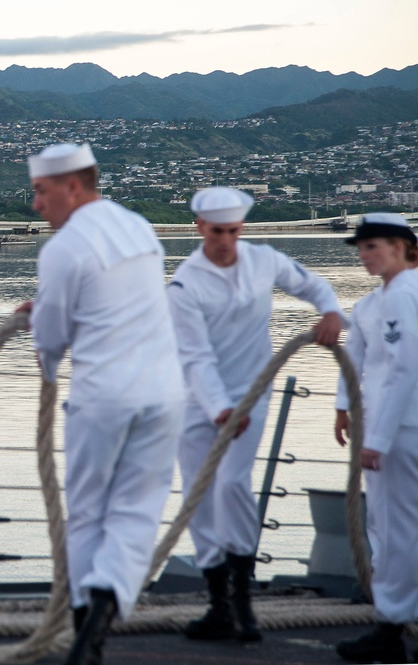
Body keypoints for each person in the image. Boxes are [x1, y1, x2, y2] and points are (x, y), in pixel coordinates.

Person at [20, 143, 185, 665]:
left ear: (72, 186)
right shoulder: (139, 227)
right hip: (164, 393)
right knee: (138, 509)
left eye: (41, 192)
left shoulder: (64, 248)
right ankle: (105, 607)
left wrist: (45, 368)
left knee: (89, 511)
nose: (36, 206)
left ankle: (83, 630)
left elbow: (52, 333)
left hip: (104, 396)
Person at [166, 186, 343, 642]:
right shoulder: (185, 285)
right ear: (200, 228)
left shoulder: (265, 260)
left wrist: (329, 311)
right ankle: (218, 603)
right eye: (216, 231)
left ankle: (242, 599)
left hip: (251, 395)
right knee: (199, 497)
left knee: (231, 483)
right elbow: (195, 358)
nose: (225, 239)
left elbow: (312, 284)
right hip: (197, 401)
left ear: (240, 229)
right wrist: (219, 408)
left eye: (233, 230)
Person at [332, 213, 418, 664]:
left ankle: (390, 627)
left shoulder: (404, 296)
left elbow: (405, 368)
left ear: (402, 247)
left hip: (403, 429)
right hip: (393, 425)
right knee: (395, 526)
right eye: (362, 248)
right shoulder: (371, 304)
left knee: (393, 527)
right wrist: (342, 408)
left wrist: (378, 439)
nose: (365, 255)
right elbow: (356, 360)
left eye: (374, 246)